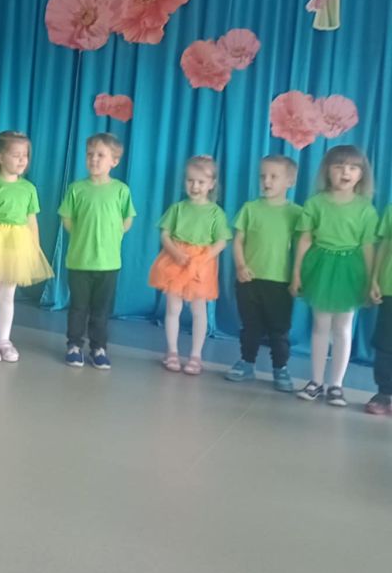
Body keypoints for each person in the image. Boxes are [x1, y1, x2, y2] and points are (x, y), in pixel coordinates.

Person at [292, 145, 377, 407]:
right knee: (320, 325)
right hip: (321, 266)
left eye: (352, 167)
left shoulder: (365, 209)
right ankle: (316, 381)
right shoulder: (316, 203)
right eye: (338, 166)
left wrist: (370, 279)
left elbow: (367, 246)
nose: (345, 172)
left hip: (350, 270)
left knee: (342, 327)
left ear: (361, 174)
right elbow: (305, 239)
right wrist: (296, 272)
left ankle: (336, 385)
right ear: (327, 171)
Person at [0, 130, 53, 362]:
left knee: (8, 295)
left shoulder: (28, 188)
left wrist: (34, 250)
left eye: (25, 155)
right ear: (0, 157)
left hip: (17, 246)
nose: (22, 160)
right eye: (16, 155)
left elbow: (32, 221)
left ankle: (4, 340)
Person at [58, 133, 135, 369]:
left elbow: (128, 218)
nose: (93, 159)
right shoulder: (76, 189)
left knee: (101, 310)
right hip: (79, 261)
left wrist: (115, 234)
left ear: (114, 161)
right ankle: (74, 346)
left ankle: (98, 348)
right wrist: (82, 236)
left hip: (108, 263)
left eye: (101, 155)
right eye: (90, 154)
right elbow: (67, 218)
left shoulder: (121, 190)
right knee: (78, 307)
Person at [149, 154, 231, 375]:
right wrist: (176, 253)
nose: (195, 186)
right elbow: (165, 234)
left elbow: (221, 241)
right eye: (190, 181)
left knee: (198, 310)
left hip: (201, 265)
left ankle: (196, 355)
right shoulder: (178, 208)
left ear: (211, 184)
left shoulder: (215, 212)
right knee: (173, 308)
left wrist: (203, 258)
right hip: (176, 262)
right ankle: (172, 351)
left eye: (201, 182)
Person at [226, 155, 301, 392]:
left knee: (280, 330)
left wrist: (297, 277)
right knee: (250, 326)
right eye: (263, 176)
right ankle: (247, 362)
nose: (266, 181)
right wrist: (240, 266)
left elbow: (303, 247)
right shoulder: (250, 208)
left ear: (289, 181)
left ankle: (281, 368)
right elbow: (238, 241)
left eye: (273, 176)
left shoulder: (297, 213)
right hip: (250, 280)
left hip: (280, 283)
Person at [366, 202, 392, 415]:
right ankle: (384, 392)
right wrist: (374, 279)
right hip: (390, 287)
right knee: (385, 343)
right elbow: (384, 244)